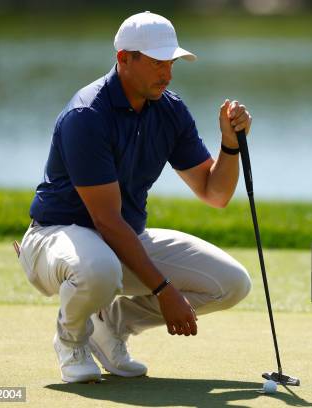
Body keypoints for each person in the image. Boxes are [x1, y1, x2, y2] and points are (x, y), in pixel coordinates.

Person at [16, 11, 253, 383]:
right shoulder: (87, 115)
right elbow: (106, 220)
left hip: (120, 241)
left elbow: (215, 193)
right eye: (157, 63)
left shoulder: (169, 109)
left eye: (171, 62)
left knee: (232, 283)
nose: (167, 73)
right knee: (99, 269)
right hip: (55, 238)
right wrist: (164, 291)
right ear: (124, 58)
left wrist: (230, 143)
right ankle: (71, 342)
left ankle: (111, 326)